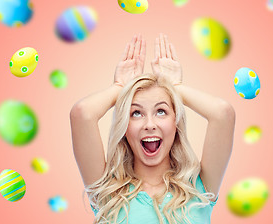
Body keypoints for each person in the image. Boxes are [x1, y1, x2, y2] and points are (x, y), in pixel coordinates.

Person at [70, 33, 235, 224]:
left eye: (161, 111)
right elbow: (81, 114)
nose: (149, 125)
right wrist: (120, 87)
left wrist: (175, 87)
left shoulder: (199, 188)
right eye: (136, 113)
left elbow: (223, 113)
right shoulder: (108, 192)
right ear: (124, 126)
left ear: (176, 122)